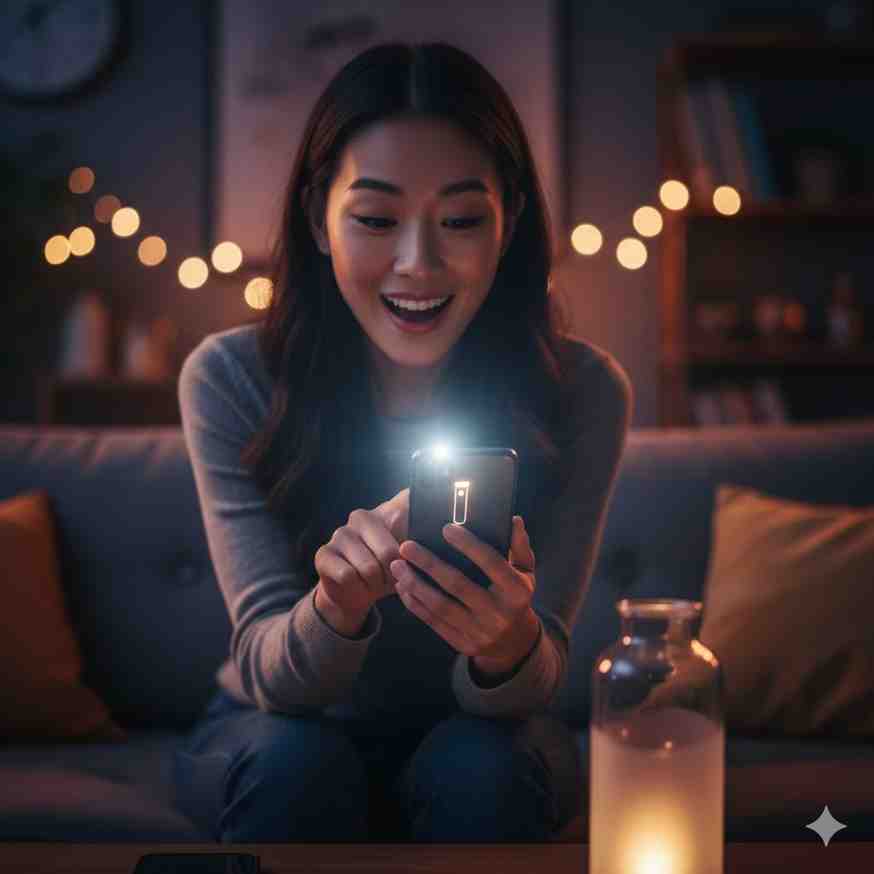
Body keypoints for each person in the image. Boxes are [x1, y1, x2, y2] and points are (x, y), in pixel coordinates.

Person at [173, 40, 632, 844]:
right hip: (277, 722)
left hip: (484, 730)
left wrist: (508, 642)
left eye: (459, 220)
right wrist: (336, 609)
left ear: (509, 221)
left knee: (482, 774)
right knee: (293, 769)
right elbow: (265, 667)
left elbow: (538, 679)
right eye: (377, 219)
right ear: (319, 219)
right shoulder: (230, 377)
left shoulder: (585, 391)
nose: (418, 264)